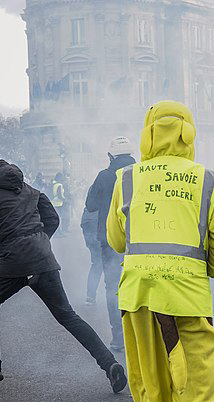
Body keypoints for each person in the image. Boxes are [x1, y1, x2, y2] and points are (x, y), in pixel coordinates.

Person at [0, 149, 127, 392]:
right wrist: (39, 240)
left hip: (14, 260)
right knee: (68, 316)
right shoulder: (28, 189)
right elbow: (53, 218)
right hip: (43, 258)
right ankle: (109, 364)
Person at [107, 101, 214, 401]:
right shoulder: (205, 179)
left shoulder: (127, 177)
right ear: (188, 133)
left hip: (138, 294)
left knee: (150, 384)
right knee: (197, 384)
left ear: (148, 134)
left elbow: (116, 241)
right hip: (187, 295)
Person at [86, 136, 135, 352]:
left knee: (113, 288)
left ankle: (118, 338)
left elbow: (91, 205)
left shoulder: (104, 176)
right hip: (138, 240)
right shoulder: (142, 173)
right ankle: (139, 338)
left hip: (110, 240)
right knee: (138, 288)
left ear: (110, 155)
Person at [80, 206, 102, 305]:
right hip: (100, 230)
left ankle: (90, 296)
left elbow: (84, 223)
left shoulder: (92, 196)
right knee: (113, 264)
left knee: (97, 264)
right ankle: (116, 297)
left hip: (90, 227)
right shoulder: (111, 194)